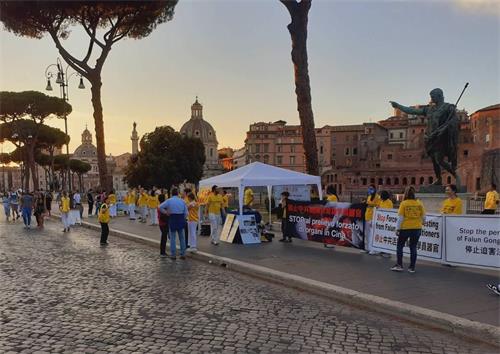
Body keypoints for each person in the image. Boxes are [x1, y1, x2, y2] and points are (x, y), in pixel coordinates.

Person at [391, 186, 426, 273]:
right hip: (417, 228)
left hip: (405, 228)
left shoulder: (404, 203)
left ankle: (399, 265)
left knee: (400, 246)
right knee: (413, 247)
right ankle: (412, 267)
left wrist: (397, 229)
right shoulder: (419, 203)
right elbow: (424, 216)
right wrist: (422, 222)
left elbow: (400, 218)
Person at [159, 188, 188, 260]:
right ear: (178, 193)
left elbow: (160, 207)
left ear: (172, 193)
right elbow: (186, 213)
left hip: (172, 218)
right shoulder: (182, 201)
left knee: (172, 238)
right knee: (182, 237)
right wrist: (183, 218)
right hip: (180, 218)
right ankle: (183, 253)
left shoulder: (169, 201)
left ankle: (173, 254)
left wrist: (166, 212)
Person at [364, 184, 381, 255]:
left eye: (371, 189)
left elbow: (378, 206)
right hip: (367, 216)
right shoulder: (369, 196)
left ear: (374, 189)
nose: (370, 190)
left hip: (372, 217)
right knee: (367, 234)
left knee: (372, 234)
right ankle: (367, 248)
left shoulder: (377, 197)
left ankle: (373, 249)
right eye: (369, 188)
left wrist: (370, 205)